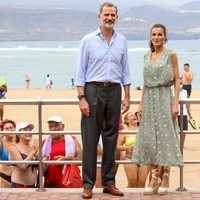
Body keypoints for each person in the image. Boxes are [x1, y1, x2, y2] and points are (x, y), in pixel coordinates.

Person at [74, 2, 131, 199]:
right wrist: (82, 98)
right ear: (99, 16)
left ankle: (109, 183)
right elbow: (80, 72)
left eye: (112, 15)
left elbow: (125, 70)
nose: (109, 18)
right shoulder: (88, 40)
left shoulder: (122, 40)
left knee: (111, 139)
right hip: (92, 90)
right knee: (90, 139)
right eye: (106, 14)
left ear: (117, 17)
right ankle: (88, 184)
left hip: (114, 91)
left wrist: (127, 96)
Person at [132, 24, 183, 195]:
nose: (157, 37)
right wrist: (140, 104)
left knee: (166, 136)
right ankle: (154, 176)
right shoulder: (147, 55)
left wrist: (175, 103)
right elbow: (145, 83)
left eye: (160, 34)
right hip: (149, 100)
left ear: (165, 36)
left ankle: (166, 175)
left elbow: (177, 80)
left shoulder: (171, 55)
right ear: (150, 37)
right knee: (150, 138)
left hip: (165, 98)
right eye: (154, 34)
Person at [42, 115, 82, 188]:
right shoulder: (44, 143)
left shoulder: (73, 140)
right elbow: (40, 163)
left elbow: (81, 159)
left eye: (56, 126)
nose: (53, 129)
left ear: (63, 126)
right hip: (50, 184)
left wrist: (67, 159)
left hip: (68, 183)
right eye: (50, 127)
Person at [116, 112, 149, 188]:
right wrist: (127, 148)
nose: (134, 116)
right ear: (127, 120)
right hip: (129, 158)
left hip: (143, 158)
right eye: (131, 115)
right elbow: (118, 146)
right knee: (132, 182)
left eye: (134, 115)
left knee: (142, 183)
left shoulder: (143, 130)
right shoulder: (124, 132)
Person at [9, 122, 38, 188]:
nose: (29, 132)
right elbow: (23, 166)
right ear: (18, 134)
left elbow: (43, 169)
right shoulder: (13, 147)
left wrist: (38, 157)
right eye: (25, 130)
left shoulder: (34, 147)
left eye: (30, 130)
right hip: (19, 186)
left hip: (33, 187)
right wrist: (33, 152)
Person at [0, 119, 16, 187]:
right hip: (4, 176)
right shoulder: (1, 143)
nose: (10, 130)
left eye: (11, 127)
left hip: (18, 178)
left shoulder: (19, 141)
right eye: (7, 128)